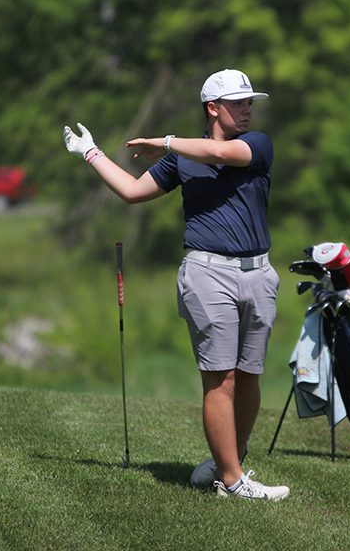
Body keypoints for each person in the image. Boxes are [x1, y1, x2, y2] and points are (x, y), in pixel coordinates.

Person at [63, 68, 289, 501]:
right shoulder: (183, 158)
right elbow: (131, 190)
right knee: (220, 379)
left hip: (258, 274)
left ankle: (230, 461)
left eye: (250, 103)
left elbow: (218, 154)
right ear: (213, 108)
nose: (248, 109)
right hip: (208, 273)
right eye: (239, 103)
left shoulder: (256, 145)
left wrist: (164, 142)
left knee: (249, 376)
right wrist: (91, 152)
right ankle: (231, 481)